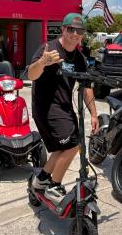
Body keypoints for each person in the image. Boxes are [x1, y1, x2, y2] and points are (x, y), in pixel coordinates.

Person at [28, 13, 99, 205]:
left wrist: (94, 114)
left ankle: (41, 180)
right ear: (63, 29)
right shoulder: (48, 49)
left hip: (64, 109)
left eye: (80, 30)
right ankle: (54, 186)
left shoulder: (80, 59)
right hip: (45, 107)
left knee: (62, 149)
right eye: (71, 29)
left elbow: (86, 88)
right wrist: (43, 62)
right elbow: (31, 75)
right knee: (73, 146)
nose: (75, 34)